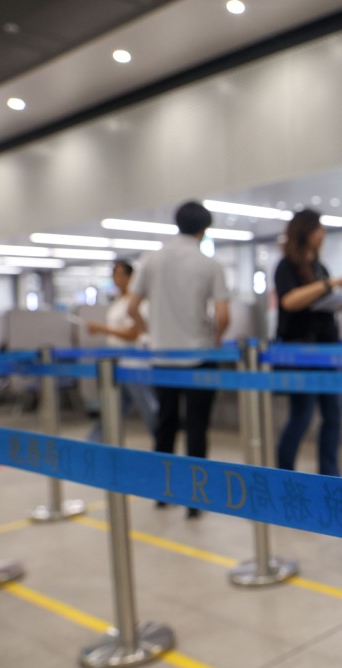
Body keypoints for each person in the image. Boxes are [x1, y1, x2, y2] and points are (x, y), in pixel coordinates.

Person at [128, 201, 230, 519]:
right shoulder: (208, 264)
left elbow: (132, 307)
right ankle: (195, 499)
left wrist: (149, 334)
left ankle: (163, 492)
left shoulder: (152, 260)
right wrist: (214, 340)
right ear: (204, 229)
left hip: (161, 357)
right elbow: (223, 315)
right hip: (199, 356)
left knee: (164, 425)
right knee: (197, 428)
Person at [274, 209, 342, 477]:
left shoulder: (320, 268)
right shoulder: (286, 267)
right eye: (319, 228)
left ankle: (330, 474)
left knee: (334, 415)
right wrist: (327, 286)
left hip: (327, 349)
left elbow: (318, 304)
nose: (323, 234)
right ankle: (285, 472)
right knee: (302, 416)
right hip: (301, 352)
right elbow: (290, 301)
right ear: (306, 231)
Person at [86, 260, 158, 443]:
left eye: (121, 274)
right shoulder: (118, 302)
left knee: (150, 410)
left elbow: (135, 333)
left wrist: (102, 328)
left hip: (135, 366)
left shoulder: (137, 303)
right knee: (112, 411)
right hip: (118, 365)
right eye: (115, 274)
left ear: (131, 277)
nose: (118, 279)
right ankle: (93, 446)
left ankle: (164, 446)